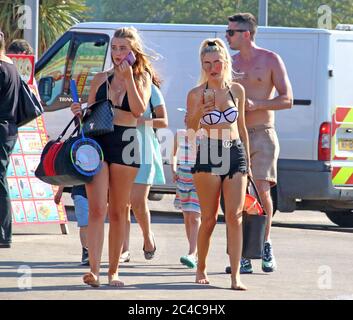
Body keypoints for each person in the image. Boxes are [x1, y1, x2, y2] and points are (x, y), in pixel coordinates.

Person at [71, 27, 153, 287]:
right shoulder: (100, 78)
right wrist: (79, 111)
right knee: (97, 208)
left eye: (123, 48)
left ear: (133, 51)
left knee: (118, 210)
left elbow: (139, 111)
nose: (117, 53)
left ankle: (114, 271)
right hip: (99, 141)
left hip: (126, 142)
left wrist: (128, 78)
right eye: (115, 48)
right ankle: (94, 270)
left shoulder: (142, 77)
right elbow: (89, 117)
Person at [225, 13, 293, 274]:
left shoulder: (270, 59)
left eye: (231, 32)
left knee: (262, 189)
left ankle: (265, 244)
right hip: (235, 134)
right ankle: (242, 252)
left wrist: (258, 105)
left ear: (246, 34)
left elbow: (287, 99)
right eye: (227, 31)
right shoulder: (230, 63)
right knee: (237, 194)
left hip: (263, 132)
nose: (227, 36)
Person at [186, 38, 251, 290]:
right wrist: (200, 110)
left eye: (217, 62)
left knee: (235, 217)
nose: (213, 67)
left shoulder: (237, 90)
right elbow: (191, 130)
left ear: (225, 61)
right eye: (207, 63)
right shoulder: (196, 93)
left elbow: (242, 127)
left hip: (234, 151)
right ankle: (200, 267)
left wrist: (248, 159)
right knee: (210, 218)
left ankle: (235, 275)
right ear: (203, 65)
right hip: (210, 152)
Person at [121, 80, 168, 262]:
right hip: (121, 147)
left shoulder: (150, 88)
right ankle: (123, 249)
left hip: (145, 150)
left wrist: (142, 121)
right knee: (122, 203)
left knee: (137, 201)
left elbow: (164, 121)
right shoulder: (116, 85)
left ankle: (148, 236)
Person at [0, 30, 21, 248]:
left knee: (0, 180)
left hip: (2, 129)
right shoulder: (11, 66)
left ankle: (4, 234)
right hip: (9, 129)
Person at [171, 127, 201, 269]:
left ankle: (192, 252)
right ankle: (194, 253)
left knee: (195, 217)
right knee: (187, 217)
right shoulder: (180, 134)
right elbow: (174, 154)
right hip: (183, 179)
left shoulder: (205, 135)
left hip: (198, 179)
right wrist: (174, 169)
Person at [54, 185, 89, 266]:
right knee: (84, 223)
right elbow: (67, 173)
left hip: (98, 190)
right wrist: (60, 191)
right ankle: (86, 252)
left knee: (95, 224)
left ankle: (94, 252)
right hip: (80, 190)